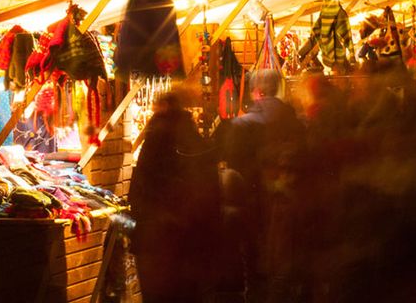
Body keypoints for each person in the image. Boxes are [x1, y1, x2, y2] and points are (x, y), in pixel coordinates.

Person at [222, 69, 305, 303]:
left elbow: (233, 171)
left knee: (255, 275)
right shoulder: (296, 123)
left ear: (256, 92)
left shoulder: (241, 126)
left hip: (252, 211)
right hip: (288, 210)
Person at [128, 91, 219, 303]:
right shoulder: (193, 136)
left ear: (163, 107)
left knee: (160, 292)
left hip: (160, 234)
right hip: (190, 234)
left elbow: (143, 183)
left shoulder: (156, 137)